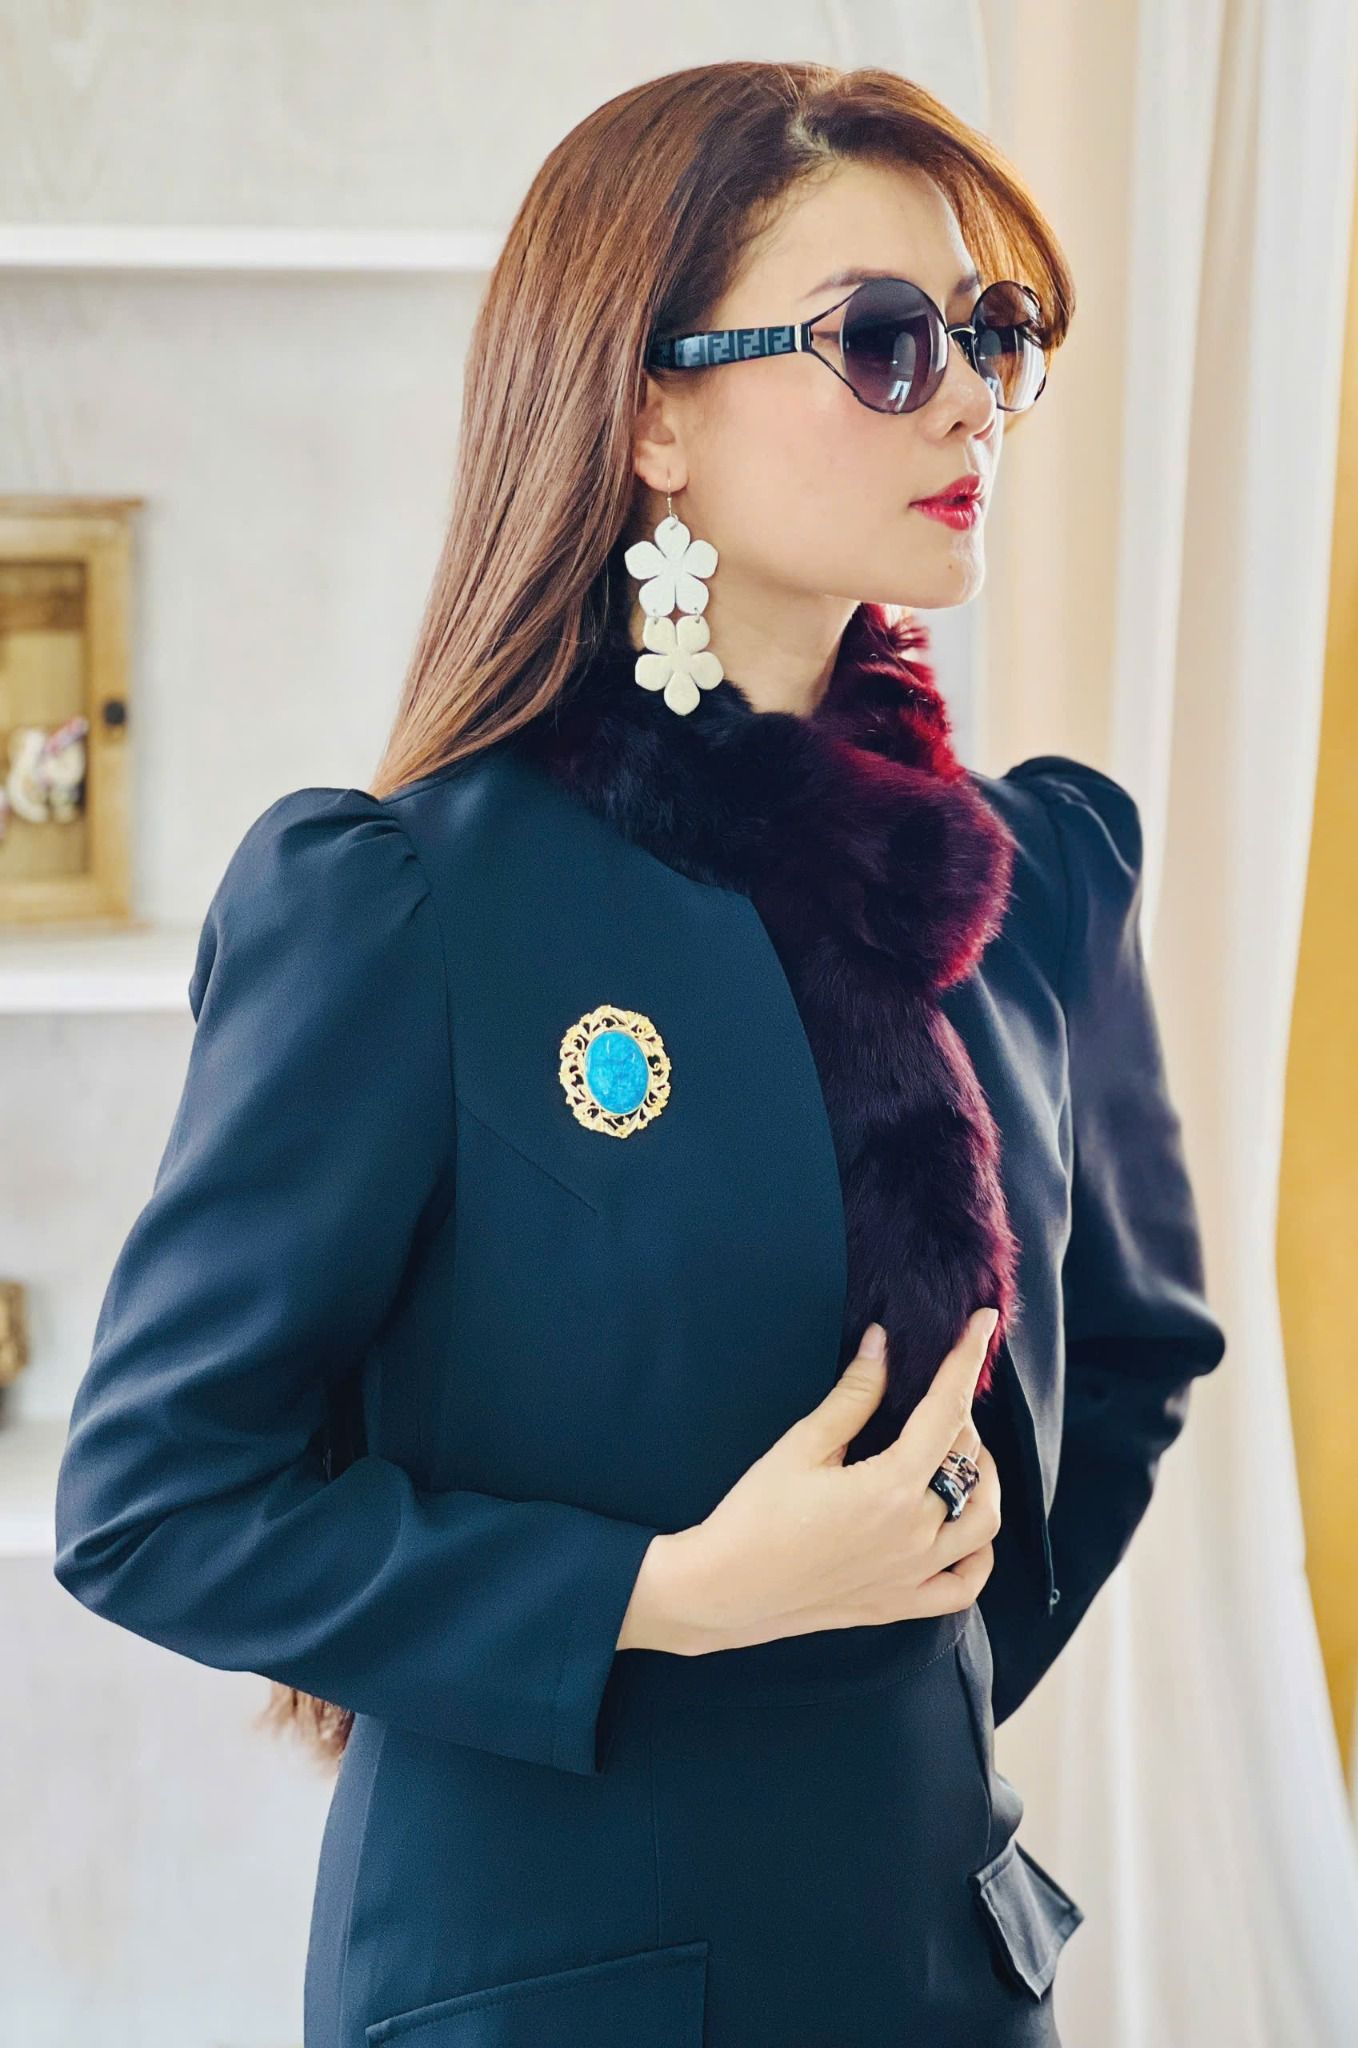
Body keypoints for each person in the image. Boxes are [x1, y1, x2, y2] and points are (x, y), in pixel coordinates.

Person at [52, 58, 1227, 2048]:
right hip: (545, 1989)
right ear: (651, 413)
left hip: (943, 1974)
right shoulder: (410, 902)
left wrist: (908, 1655)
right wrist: (671, 1597)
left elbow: (1129, 1357)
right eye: (883, 340)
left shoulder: (1033, 882)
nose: (968, 399)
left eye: (994, 334)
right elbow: (154, 1500)